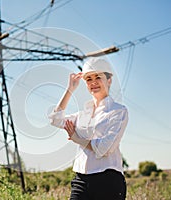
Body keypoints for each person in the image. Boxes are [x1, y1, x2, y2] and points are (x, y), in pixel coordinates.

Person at [49, 58, 128, 200]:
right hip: (81, 180)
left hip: (108, 180)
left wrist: (77, 139)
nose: (93, 82)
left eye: (98, 77)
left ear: (109, 80)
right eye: (89, 79)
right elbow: (55, 119)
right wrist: (70, 90)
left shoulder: (118, 111)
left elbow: (104, 148)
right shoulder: (82, 114)